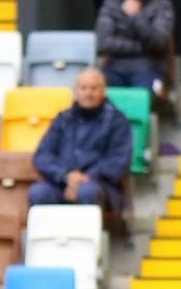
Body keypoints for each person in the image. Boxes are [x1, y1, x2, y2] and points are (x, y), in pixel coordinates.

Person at [28, 67, 132, 210]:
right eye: (83, 88)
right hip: (61, 182)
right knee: (38, 192)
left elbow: (119, 161)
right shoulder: (63, 118)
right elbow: (42, 156)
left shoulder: (117, 121)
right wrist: (66, 176)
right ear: (76, 91)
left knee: (86, 192)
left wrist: (84, 179)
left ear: (103, 91)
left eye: (94, 88)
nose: (88, 94)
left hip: (101, 185)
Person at [94, 0, 172, 99]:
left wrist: (137, 17)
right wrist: (141, 48)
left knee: (143, 97)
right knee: (94, 91)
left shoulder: (161, 5)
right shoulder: (111, 4)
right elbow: (104, 43)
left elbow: (160, 43)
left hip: (149, 68)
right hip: (114, 68)